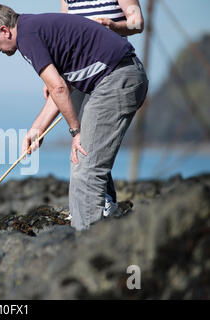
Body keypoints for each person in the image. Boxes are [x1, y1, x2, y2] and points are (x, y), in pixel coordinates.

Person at [0, 4, 148, 231]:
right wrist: (37, 127)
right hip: (116, 77)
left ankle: (85, 244)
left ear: (5, 30)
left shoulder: (27, 36)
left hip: (117, 78)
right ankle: (94, 229)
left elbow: (58, 88)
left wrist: (75, 131)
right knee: (83, 161)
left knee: (85, 165)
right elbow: (64, 84)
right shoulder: (32, 28)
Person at [58, 0, 145, 218]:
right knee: (84, 143)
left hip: (110, 70)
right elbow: (63, 30)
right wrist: (55, 76)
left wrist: (115, 27)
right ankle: (94, 203)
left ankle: (99, 205)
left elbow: (138, 22)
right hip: (77, 75)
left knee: (91, 145)